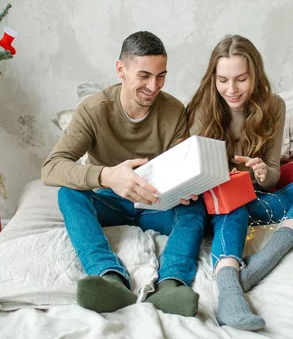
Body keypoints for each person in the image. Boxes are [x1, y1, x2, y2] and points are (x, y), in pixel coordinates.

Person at [42, 31, 206, 317]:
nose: (153, 86)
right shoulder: (93, 110)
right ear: (121, 69)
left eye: (161, 76)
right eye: (144, 75)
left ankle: (171, 283)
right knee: (68, 194)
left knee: (196, 205)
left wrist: (187, 184)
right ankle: (109, 277)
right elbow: (51, 168)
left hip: (157, 201)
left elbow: (180, 164)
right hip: (110, 201)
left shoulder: (174, 110)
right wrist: (107, 176)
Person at [186, 34, 293, 330]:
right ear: (213, 79)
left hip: (255, 198)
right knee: (235, 204)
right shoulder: (203, 107)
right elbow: (191, 173)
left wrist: (263, 173)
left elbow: (273, 174)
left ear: (255, 74)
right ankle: (230, 291)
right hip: (219, 205)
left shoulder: (274, 106)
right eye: (223, 80)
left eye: (241, 79)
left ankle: (266, 259)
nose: (231, 90)